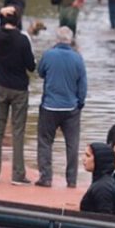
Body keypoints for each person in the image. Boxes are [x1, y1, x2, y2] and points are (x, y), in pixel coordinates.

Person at [0, 6, 36, 185]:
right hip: (19, 89)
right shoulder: (23, 40)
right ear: (17, 20)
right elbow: (31, 66)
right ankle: (18, 175)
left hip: (0, 87)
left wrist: (1, 13)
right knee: (18, 132)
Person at [35, 26, 87, 188]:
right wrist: (80, 103)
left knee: (45, 142)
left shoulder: (49, 55)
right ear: (71, 40)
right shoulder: (78, 58)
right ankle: (71, 180)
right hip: (71, 108)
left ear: (56, 40)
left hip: (49, 106)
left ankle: (46, 177)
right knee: (72, 144)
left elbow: (40, 72)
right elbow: (83, 84)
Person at [79, 142, 115, 215]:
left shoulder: (103, 187)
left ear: (99, 159)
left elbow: (105, 218)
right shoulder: (102, 181)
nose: (83, 159)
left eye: (88, 156)